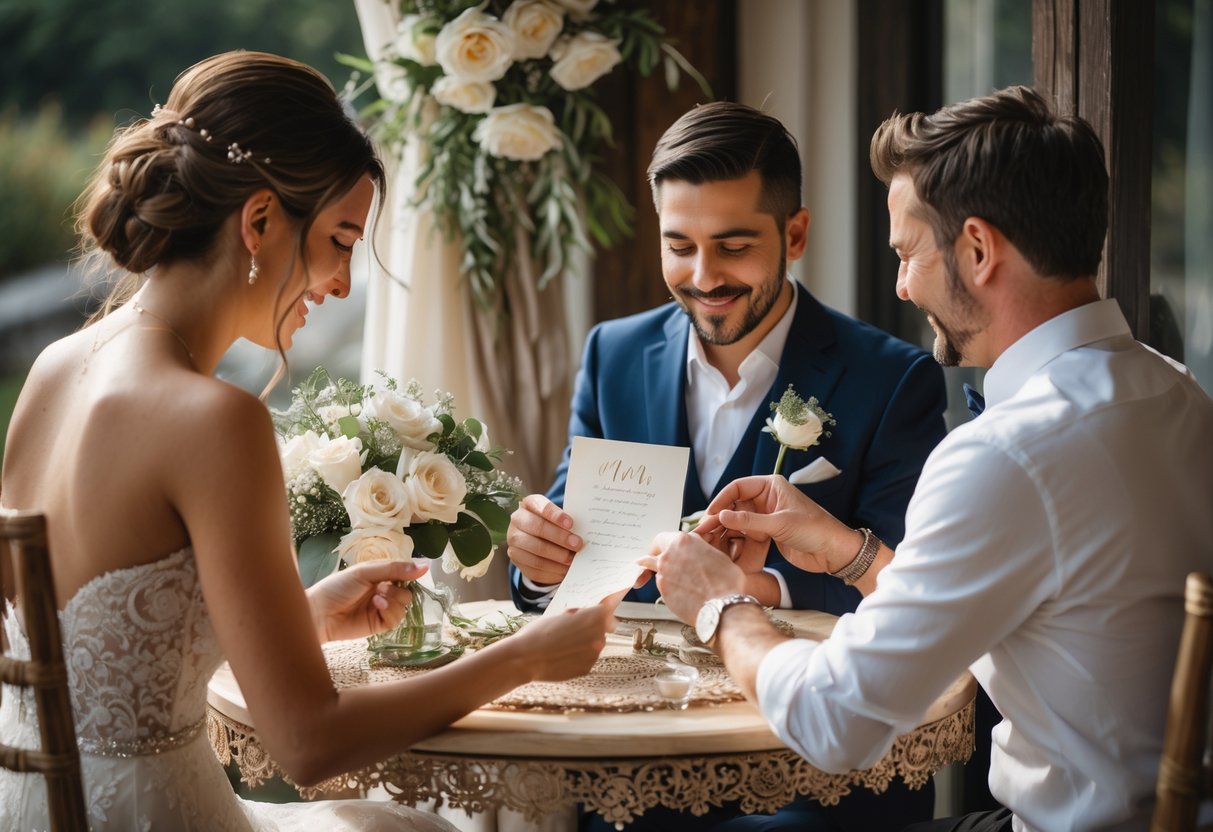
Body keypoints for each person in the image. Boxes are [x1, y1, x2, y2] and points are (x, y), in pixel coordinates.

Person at [0, 51, 613, 832]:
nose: (343, 284)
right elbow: (309, 745)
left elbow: (91, 657)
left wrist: (303, 617)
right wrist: (525, 658)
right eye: (341, 239)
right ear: (258, 220)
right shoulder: (211, 419)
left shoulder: (55, 369)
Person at [642, 85, 1213, 832]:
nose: (901, 285)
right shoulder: (1173, 392)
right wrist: (846, 554)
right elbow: (1038, 597)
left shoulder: (1006, 454)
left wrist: (721, 604)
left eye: (907, 252)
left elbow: (831, 725)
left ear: (976, 250)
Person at [508, 102, 948, 828]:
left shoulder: (893, 379)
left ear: (794, 234)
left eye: (732, 246)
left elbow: (912, 592)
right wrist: (542, 565)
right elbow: (571, 562)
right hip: (637, 769)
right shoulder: (611, 356)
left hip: (817, 775)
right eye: (678, 245)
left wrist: (757, 586)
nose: (702, 276)